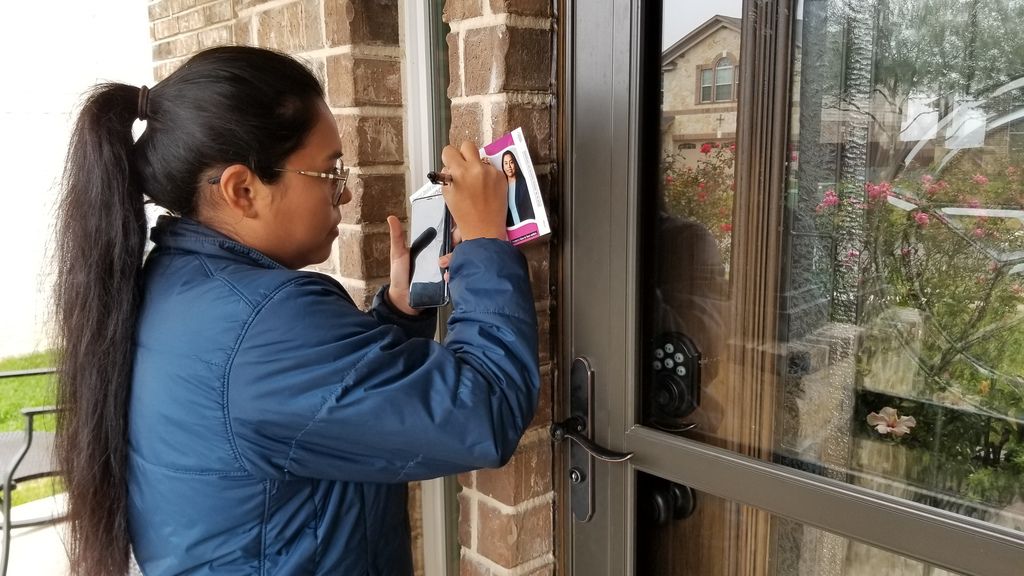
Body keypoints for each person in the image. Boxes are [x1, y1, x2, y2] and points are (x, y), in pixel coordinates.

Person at [53, 46, 539, 576]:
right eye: (330, 172)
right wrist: (488, 241)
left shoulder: (175, 286)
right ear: (243, 189)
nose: (347, 193)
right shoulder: (263, 325)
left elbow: (312, 411)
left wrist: (399, 313)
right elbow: (484, 411)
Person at [501, 150, 535, 226]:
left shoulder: (524, 184)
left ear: (515, 164)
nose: (509, 166)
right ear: (503, 166)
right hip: (512, 232)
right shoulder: (502, 188)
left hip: (528, 229)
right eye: (506, 163)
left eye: (511, 162)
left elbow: (531, 210)